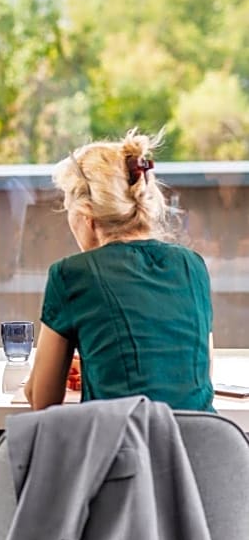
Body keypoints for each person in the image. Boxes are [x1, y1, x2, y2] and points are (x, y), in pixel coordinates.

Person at [25, 129, 215, 412]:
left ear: (85, 214)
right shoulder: (193, 266)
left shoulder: (71, 274)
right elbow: (200, 373)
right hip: (203, 448)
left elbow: (42, 401)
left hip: (121, 449)